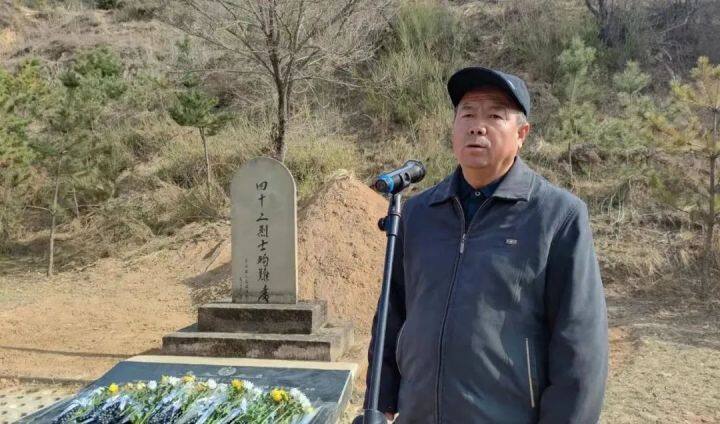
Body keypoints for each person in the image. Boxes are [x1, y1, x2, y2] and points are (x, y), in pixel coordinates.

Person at [362, 67, 609, 423]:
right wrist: (380, 402)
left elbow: (579, 345)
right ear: (453, 128)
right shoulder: (418, 213)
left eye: (494, 116)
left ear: (521, 134)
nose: (477, 126)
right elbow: (391, 313)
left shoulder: (557, 216)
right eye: (467, 114)